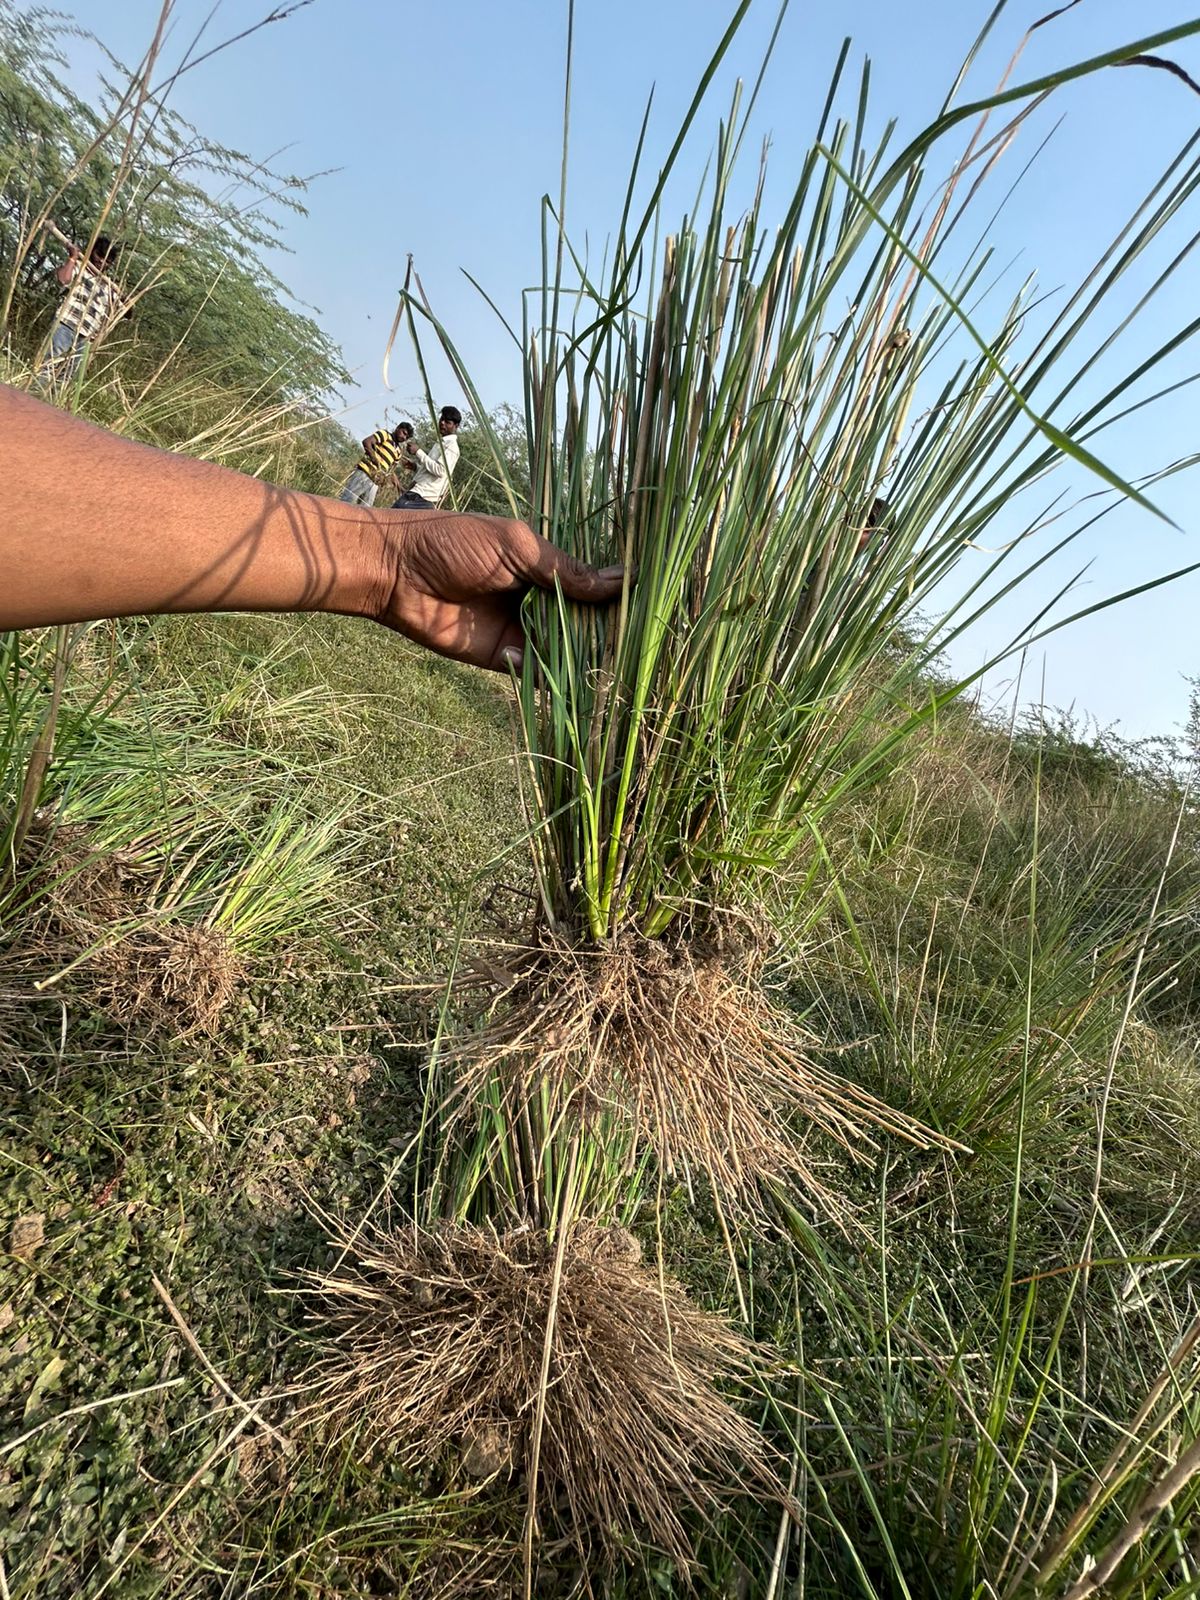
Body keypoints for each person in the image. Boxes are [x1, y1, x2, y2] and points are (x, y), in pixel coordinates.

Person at [0, 385, 624, 674]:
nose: (437, 425)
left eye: (442, 422)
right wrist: (391, 563)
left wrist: (393, 563)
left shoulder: (446, 453)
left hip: (417, 508)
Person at [39, 235, 130, 383]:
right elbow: (63, 279)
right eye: (99, 255)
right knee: (48, 367)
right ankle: (32, 394)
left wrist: (126, 299)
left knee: (67, 377)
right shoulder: (79, 267)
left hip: (86, 337)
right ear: (92, 251)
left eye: (107, 260)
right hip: (65, 325)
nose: (101, 261)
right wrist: (72, 258)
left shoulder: (108, 286)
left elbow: (127, 313)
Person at [393, 405, 461, 510]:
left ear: (456, 426)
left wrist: (418, 452)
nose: (442, 423)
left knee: (393, 513)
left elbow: (441, 471)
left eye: (447, 422)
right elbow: (431, 472)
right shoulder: (441, 443)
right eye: (442, 419)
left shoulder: (451, 447)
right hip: (418, 492)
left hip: (423, 495)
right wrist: (415, 467)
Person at [340, 420, 414, 507]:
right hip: (365, 473)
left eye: (406, 437)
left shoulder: (398, 452)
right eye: (404, 433)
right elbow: (367, 442)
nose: (404, 437)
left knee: (365, 508)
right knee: (348, 501)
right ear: (398, 428)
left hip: (375, 482)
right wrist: (374, 459)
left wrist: (400, 488)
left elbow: (390, 471)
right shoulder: (385, 435)